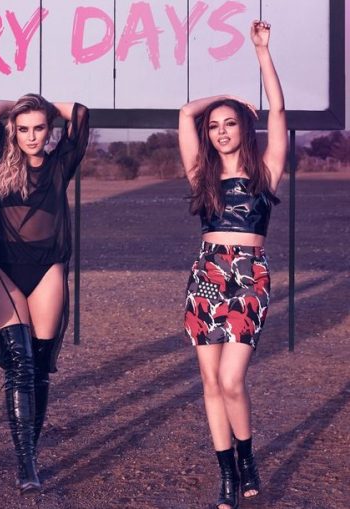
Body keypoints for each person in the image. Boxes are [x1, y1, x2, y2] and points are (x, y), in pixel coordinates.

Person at [178, 20, 286, 509]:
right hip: (207, 274)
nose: (222, 132)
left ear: (245, 128)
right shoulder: (201, 175)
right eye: (215, 126)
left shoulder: (266, 170)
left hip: (249, 274)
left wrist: (261, 52)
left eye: (231, 123)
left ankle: (247, 457)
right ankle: (227, 476)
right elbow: (186, 113)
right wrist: (225, 98)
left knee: (230, 379)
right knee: (209, 382)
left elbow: (277, 110)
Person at [0, 94, 89, 493]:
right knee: (20, 363)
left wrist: (43, 105)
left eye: (39, 128)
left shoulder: (59, 164)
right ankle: (26, 464)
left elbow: (80, 113)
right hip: (4, 268)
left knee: (38, 367)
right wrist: (26, 104)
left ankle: (31, 454)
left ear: (49, 130)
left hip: (47, 268)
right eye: (23, 129)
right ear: (14, 130)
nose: (31, 136)